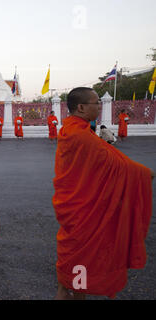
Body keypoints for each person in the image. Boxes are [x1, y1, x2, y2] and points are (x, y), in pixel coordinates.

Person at [53, 87, 154, 300]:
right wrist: (145, 174)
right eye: (96, 102)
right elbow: (118, 165)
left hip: (74, 207)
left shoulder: (70, 129)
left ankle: (70, 288)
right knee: (75, 276)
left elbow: (105, 160)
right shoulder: (81, 135)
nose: (100, 106)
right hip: (83, 212)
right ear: (81, 107)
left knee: (72, 277)